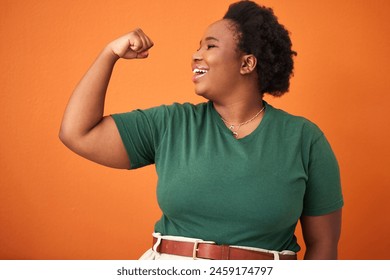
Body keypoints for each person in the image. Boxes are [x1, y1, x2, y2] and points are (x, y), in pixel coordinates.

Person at [59, 0, 343, 260]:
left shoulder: (304, 139)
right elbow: (78, 133)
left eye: (210, 46)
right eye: (198, 47)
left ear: (247, 63)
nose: (196, 55)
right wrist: (109, 53)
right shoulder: (171, 123)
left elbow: (324, 244)